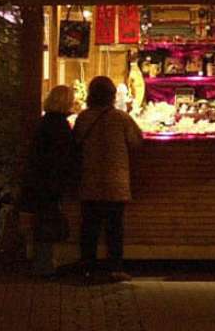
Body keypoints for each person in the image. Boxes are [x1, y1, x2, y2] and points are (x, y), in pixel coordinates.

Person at [74, 76, 143, 282]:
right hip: (116, 180)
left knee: (89, 227)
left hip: (90, 179)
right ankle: (115, 268)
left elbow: (76, 140)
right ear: (112, 96)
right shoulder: (121, 118)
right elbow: (137, 141)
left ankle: (88, 267)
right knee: (115, 227)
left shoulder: (83, 117)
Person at [19, 85, 77, 276]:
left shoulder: (46, 122)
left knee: (43, 221)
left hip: (40, 180)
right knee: (47, 222)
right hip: (49, 182)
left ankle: (43, 263)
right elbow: (61, 157)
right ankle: (44, 266)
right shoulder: (60, 126)